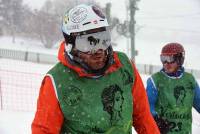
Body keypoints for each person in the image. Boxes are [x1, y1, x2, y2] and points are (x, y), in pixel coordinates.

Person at [32, 4, 160, 134]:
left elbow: (143, 116)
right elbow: (44, 130)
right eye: (88, 42)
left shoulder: (123, 66)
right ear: (71, 45)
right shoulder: (57, 80)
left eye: (103, 39)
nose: (99, 50)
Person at [146, 42, 200, 134]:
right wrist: (156, 120)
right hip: (162, 131)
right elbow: (146, 106)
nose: (166, 63)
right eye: (163, 59)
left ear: (180, 59)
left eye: (170, 59)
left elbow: (198, 102)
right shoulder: (155, 80)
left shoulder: (190, 80)